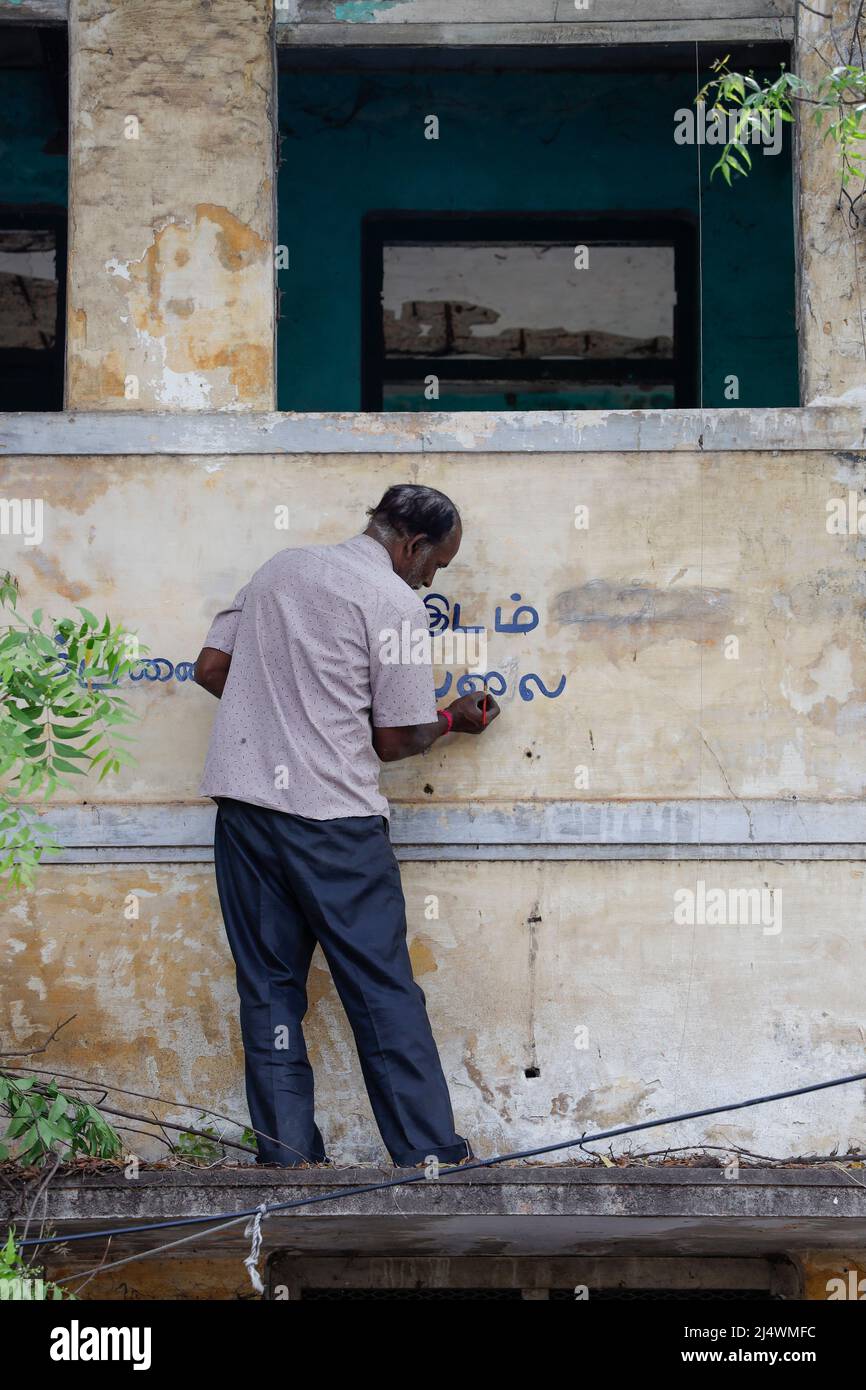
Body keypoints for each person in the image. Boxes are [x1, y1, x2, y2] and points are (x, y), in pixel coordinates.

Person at [194, 483, 500, 1167]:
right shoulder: (392, 603)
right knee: (381, 988)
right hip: (334, 825)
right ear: (412, 545)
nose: (431, 580)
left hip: (246, 814)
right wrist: (455, 718)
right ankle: (430, 1157)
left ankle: (287, 1161)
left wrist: (285, 709)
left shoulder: (280, 569)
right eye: (436, 566)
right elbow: (397, 739)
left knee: (269, 989)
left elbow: (212, 668)